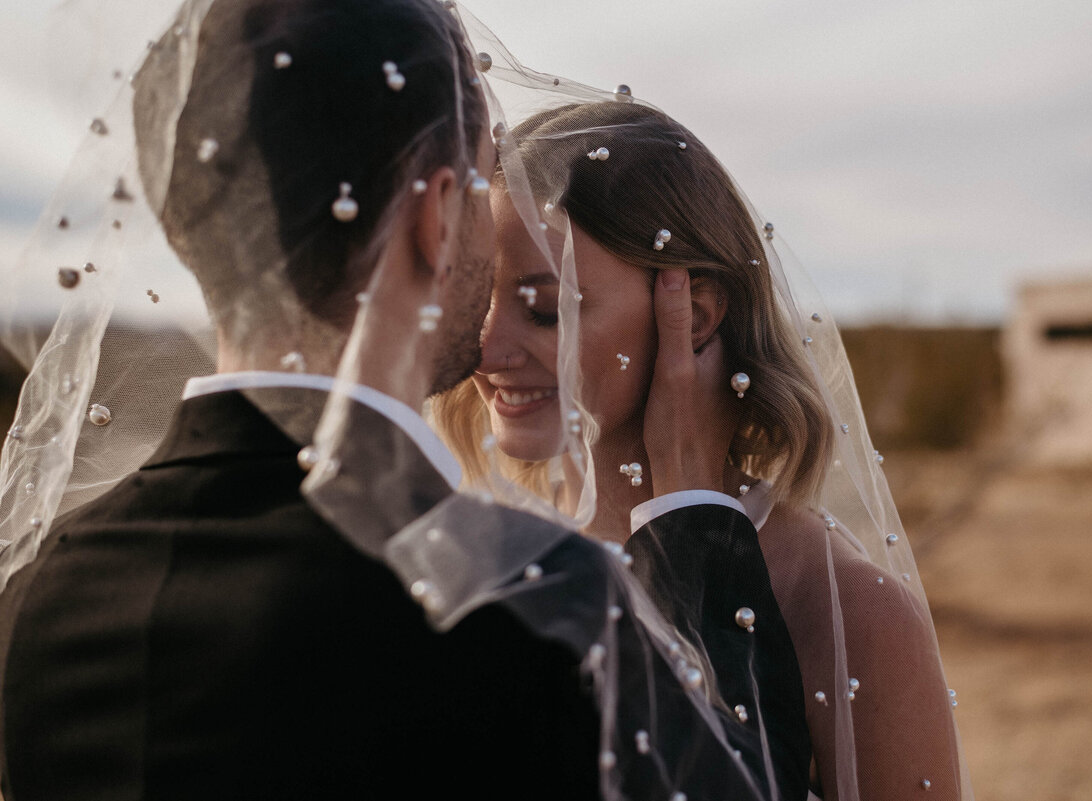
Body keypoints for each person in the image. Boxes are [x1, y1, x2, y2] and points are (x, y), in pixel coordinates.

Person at [0, 1, 778, 799]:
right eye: (479, 191)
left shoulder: (43, 594)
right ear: (437, 215)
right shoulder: (521, 602)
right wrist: (694, 525)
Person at [434, 98, 972, 800]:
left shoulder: (845, 608)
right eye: (476, 300)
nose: (488, 347)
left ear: (693, 314)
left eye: (546, 308)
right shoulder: (483, 559)